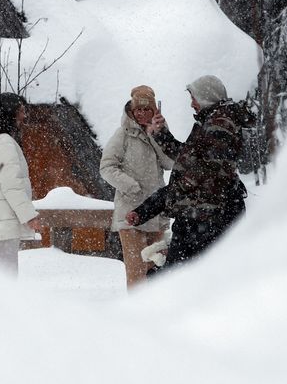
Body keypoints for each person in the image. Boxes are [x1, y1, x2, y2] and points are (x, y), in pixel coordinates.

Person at [127, 75, 254, 270]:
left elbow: (201, 173)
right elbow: (189, 160)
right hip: (204, 216)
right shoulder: (213, 122)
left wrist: (155, 205)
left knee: (181, 278)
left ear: (205, 97)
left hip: (206, 218)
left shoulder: (219, 125)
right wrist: (161, 134)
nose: (192, 104)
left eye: (194, 98)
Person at [99, 85, 175, 288]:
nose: (141, 114)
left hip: (155, 212)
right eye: (137, 110)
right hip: (130, 213)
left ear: (154, 110)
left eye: (146, 109)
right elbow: (106, 167)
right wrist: (130, 186)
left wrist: (160, 133)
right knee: (136, 269)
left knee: (156, 270)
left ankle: (155, 311)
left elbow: (170, 163)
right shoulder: (122, 135)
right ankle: (135, 312)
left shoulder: (158, 131)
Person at [0, 92, 46, 274]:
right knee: (5, 282)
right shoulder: (4, 141)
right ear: (10, 113)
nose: (24, 115)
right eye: (21, 110)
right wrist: (28, 215)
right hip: (3, 222)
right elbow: (11, 185)